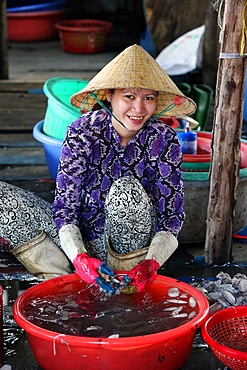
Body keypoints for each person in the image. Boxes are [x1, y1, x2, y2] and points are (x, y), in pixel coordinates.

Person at [0, 44, 196, 292]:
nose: (139, 108)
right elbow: (65, 207)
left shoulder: (164, 139)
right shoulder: (82, 132)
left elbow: (172, 215)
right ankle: (64, 283)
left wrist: (152, 263)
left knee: (125, 191)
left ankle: (123, 284)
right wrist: (80, 256)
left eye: (148, 98)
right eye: (129, 96)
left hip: (132, 250)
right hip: (78, 241)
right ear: (109, 96)